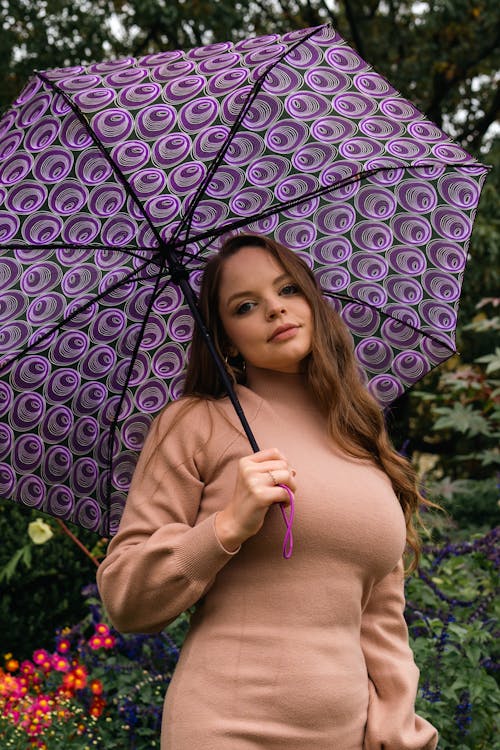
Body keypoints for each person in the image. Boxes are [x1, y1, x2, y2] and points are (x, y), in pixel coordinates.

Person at [97, 233, 438, 750]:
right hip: (226, 729)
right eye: (246, 305)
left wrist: (396, 720)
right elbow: (126, 599)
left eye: (288, 290)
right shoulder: (195, 423)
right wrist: (228, 525)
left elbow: (381, 614)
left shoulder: (361, 439)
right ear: (227, 337)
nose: (275, 309)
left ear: (314, 303)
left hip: (346, 735)